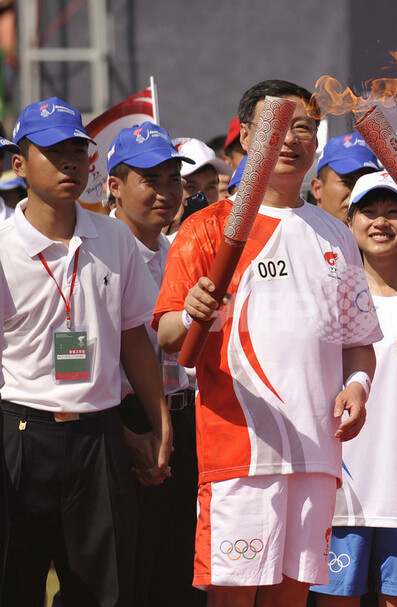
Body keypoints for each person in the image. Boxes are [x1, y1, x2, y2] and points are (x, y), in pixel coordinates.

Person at [153, 79, 382, 607]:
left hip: (317, 450)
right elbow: (167, 337)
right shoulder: (207, 228)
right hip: (241, 448)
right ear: (247, 137)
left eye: (303, 128)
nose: (291, 139)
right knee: (233, 597)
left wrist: (358, 385)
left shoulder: (336, 234)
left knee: (291, 598)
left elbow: (358, 342)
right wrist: (191, 312)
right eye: (277, 127)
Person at [0, 96, 172, 606]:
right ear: (19, 164)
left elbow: (133, 336)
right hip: (21, 433)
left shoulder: (114, 237)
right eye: (53, 153)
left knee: (103, 591)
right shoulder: (3, 248)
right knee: (14, 582)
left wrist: (160, 422)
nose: (70, 163)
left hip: (100, 437)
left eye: (77, 151)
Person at [311, 171, 397, 606]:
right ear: (349, 222)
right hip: (338, 494)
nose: (380, 222)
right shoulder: (326, 300)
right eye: (368, 211)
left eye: (393, 212)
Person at [106, 121, 206, 606]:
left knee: (176, 574)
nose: (166, 193)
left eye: (173, 180)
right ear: (114, 186)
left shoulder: (178, 252)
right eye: (150, 180)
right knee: (124, 576)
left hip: (183, 422)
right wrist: (129, 435)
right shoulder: (95, 253)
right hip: (121, 425)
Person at [310, 132, 379, 223]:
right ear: (317, 188)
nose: (358, 194)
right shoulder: (297, 230)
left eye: (368, 185)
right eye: (347, 182)